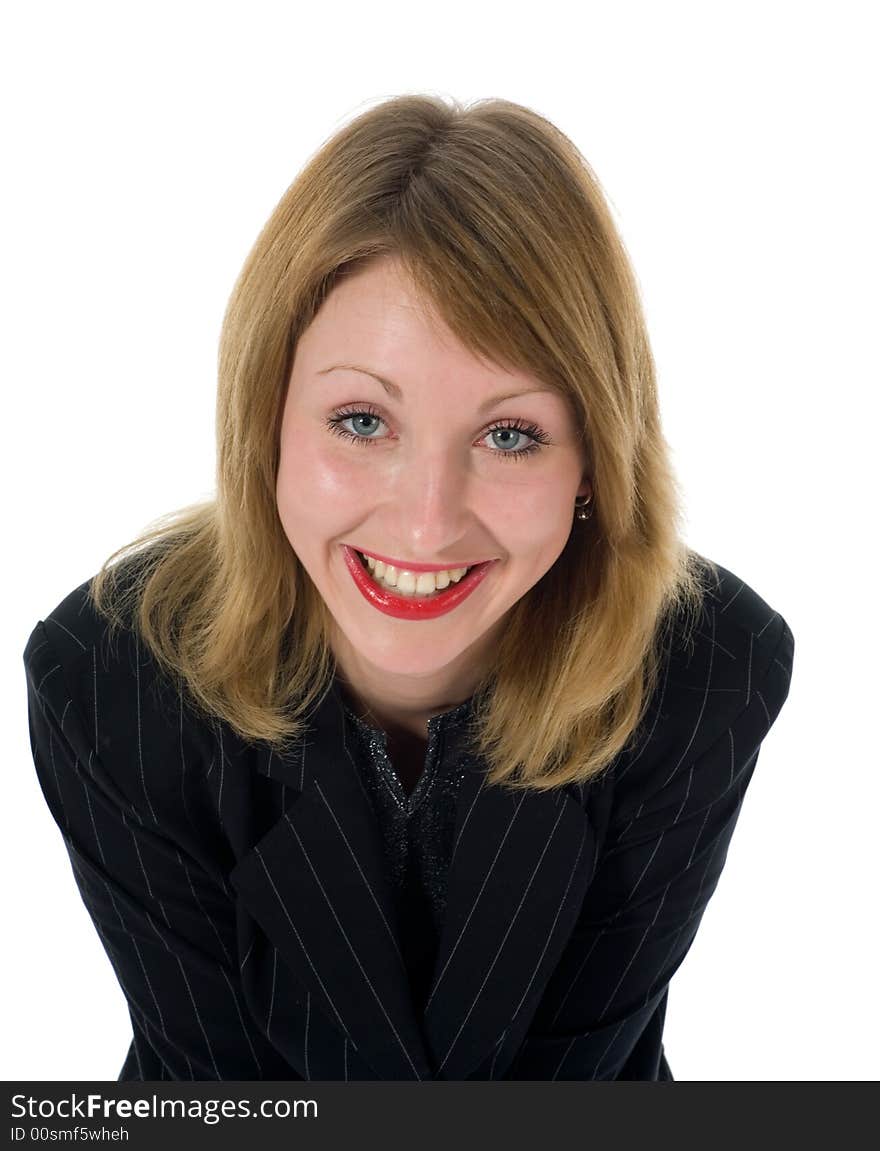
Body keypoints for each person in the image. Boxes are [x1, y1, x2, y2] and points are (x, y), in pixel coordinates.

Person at [22, 93, 794, 1082]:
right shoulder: (111, 677)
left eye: (509, 434)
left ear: (596, 461)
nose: (426, 521)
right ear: (266, 422)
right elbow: (216, 1092)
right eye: (361, 421)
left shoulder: (705, 669)